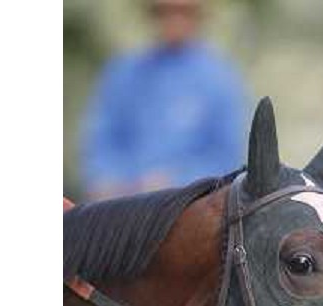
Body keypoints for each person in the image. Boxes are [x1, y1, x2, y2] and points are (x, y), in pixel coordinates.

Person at [80, 0, 248, 199]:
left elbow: (226, 155)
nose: (174, 20)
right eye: (165, 12)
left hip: (191, 205)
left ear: (199, 15)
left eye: (183, 12)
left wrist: (175, 181)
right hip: (123, 203)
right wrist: (111, 179)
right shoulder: (124, 72)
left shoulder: (220, 78)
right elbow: (101, 141)